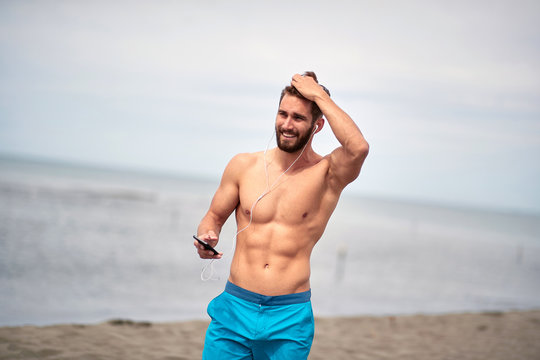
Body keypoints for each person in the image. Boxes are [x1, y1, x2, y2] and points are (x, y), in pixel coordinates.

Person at [194, 71, 369, 359]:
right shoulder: (243, 166)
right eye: (282, 114)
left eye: (298, 118)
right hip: (235, 307)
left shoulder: (328, 174)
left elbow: (358, 147)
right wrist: (205, 237)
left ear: (318, 124)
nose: (287, 125)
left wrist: (319, 95)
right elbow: (213, 216)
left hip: (288, 317)